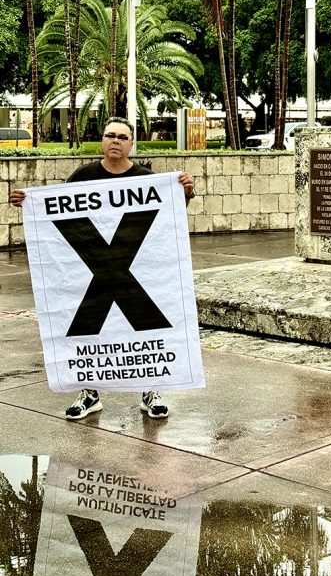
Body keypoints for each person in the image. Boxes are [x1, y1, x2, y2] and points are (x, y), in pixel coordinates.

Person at [10, 116, 196, 421]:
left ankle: (150, 390)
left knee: (143, 328)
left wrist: (184, 192)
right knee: (88, 331)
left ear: (131, 144)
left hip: (136, 268)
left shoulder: (145, 178)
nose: (116, 141)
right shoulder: (82, 177)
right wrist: (29, 204)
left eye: (123, 137)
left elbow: (169, 216)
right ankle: (89, 394)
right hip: (93, 268)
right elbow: (57, 215)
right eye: (111, 135)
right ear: (102, 140)